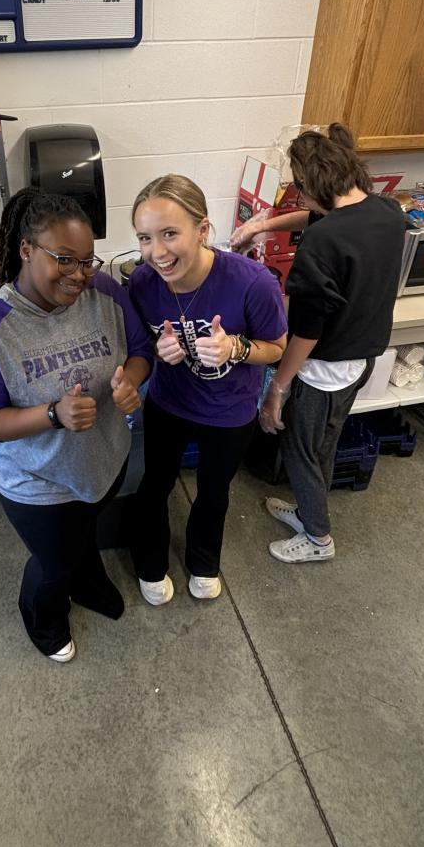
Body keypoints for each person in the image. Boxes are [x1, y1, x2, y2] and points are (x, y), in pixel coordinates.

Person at [0, 189, 152, 663]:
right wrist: (52, 414)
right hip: (38, 483)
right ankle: (44, 615)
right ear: (26, 250)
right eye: (64, 260)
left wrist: (130, 382)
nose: (79, 274)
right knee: (53, 561)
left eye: (87, 261)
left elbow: (140, 350)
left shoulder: (105, 292)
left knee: (83, 536)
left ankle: (86, 579)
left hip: (103, 460)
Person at [126, 175, 287, 604]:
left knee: (214, 492)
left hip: (230, 411)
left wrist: (235, 347)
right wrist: (158, 351)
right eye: (145, 238)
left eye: (170, 233)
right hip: (169, 403)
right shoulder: (142, 284)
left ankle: (203, 561)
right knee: (155, 485)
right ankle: (150, 562)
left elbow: (277, 348)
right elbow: (141, 346)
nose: (157, 253)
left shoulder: (252, 283)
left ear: (202, 229)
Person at [259, 124, 406, 563]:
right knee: (324, 443)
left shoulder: (323, 242)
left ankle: (318, 539)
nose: (300, 199)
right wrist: (261, 226)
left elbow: (307, 330)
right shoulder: (386, 211)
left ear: (312, 183)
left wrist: (277, 388)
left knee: (299, 448)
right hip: (360, 360)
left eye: (300, 189)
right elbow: (322, 218)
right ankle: (310, 512)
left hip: (323, 368)